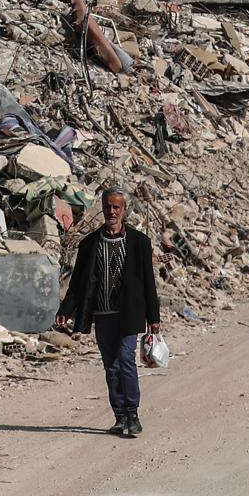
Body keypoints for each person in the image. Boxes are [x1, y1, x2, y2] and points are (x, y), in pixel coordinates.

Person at [56, 185, 160, 438]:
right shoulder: (90, 243)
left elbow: (148, 282)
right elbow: (78, 280)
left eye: (116, 207)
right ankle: (119, 416)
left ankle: (132, 414)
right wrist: (66, 310)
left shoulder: (139, 242)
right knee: (110, 366)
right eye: (107, 206)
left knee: (126, 360)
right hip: (102, 315)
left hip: (129, 314)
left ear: (124, 210)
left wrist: (153, 319)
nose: (111, 211)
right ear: (102, 208)